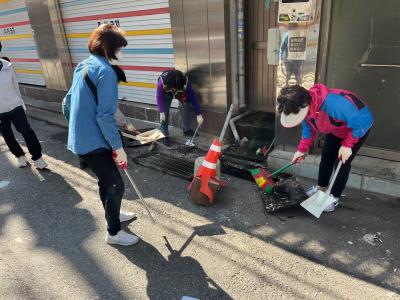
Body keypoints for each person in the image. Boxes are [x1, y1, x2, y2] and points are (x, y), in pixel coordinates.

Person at [63, 24, 138, 246]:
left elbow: (67, 102)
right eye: (119, 48)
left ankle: (113, 214)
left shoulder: (84, 64)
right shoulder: (105, 72)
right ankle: (113, 232)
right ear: (109, 48)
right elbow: (105, 116)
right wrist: (118, 148)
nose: (120, 53)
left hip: (82, 138)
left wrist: (77, 128)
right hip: (95, 140)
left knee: (105, 182)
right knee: (116, 185)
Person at [277, 84, 374, 212]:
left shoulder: (336, 104)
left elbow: (360, 121)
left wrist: (347, 145)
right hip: (337, 128)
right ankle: (321, 189)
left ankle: (333, 196)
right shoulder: (306, 107)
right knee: (326, 156)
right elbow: (308, 128)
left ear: (305, 105)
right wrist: (301, 150)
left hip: (357, 128)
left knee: (341, 162)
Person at [0, 52, 48, 169]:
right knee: (8, 136)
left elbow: (15, 86)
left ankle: (37, 157)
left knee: (27, 131)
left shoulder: (7, 66)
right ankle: (20, 156)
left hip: (15, 105)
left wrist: (22, 103)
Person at [156, 69, 203, 146]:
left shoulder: (184, 81)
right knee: (165, 113)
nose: (174, 90)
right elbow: (159, 97)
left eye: (176, 88)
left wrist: (199, 114)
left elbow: (193, 97)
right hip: (166, 93)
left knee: (188, 105)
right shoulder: (162, 82)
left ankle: (187, 129)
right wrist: (161, 112)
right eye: (173, 88)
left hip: (180, 93)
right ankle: (165, 135)